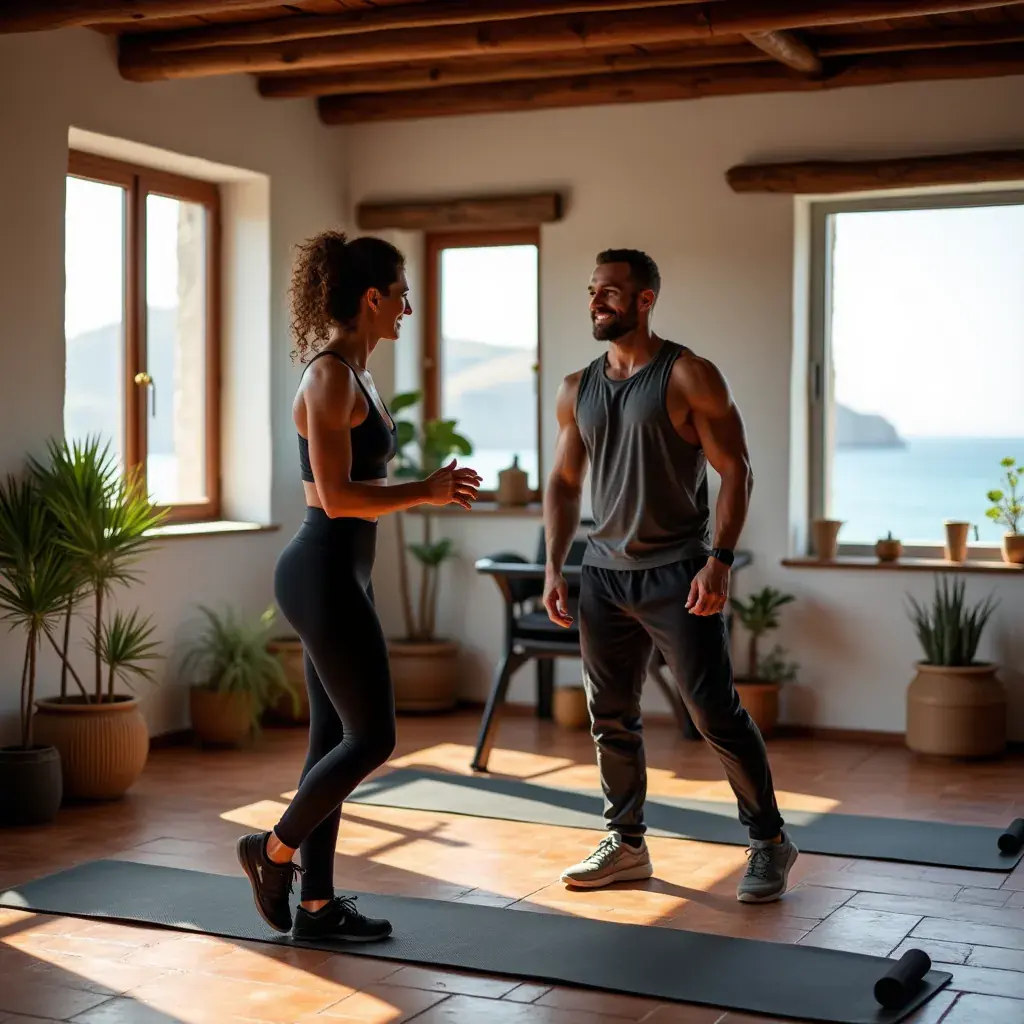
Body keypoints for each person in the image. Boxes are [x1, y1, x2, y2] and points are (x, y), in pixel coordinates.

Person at [236, 232, 481, 940]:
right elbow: (338, 497)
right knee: (373, 737)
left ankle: (316, 907)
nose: (408, 307)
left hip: (347, 573)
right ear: (373, 297)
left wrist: (425, 490)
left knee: (330, 740)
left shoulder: (358, 375)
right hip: (320, 570)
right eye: (402, 294)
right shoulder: (329, 378)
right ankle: (270, 850)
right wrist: (426, 490)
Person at [542, 248, 797, 903]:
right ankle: (626, 843)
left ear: (645, 300)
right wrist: (554, 565)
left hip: (676, 573)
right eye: (592, 290)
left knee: (713, 711)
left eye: (610, 292)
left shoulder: (689, 375)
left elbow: (736, 469)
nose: (596, 302)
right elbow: (565, 483)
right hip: (603, 576)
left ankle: (769, 840)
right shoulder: (576, 388)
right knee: (610, 716)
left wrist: (720, 560)